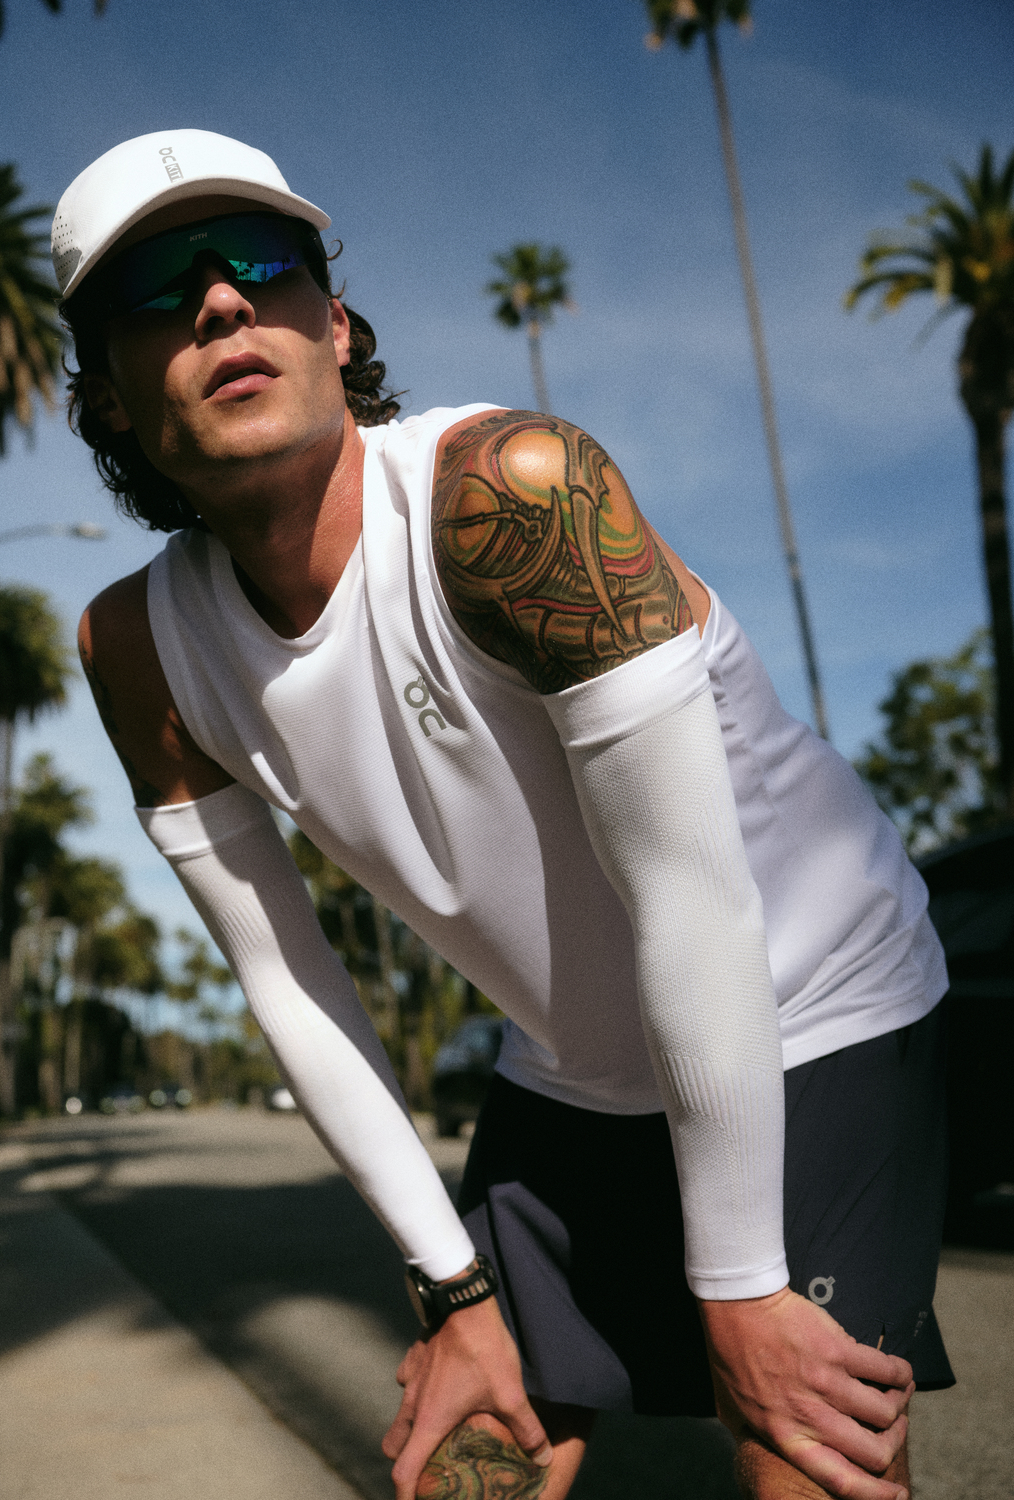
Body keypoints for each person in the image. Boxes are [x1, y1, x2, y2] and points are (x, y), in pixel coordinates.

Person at [58, 129, 952, 1500]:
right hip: (569, 1071)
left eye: (263, 262)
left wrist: (738, 1288)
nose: (221, 301)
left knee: (800, 1457)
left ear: (334, 325)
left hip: (810, 1005)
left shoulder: (514, 494)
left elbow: (692, 895)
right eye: (154, 289)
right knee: (464, 1465)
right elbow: (288, 981)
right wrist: (450, 1287)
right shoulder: (139, 649)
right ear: (108, 399)